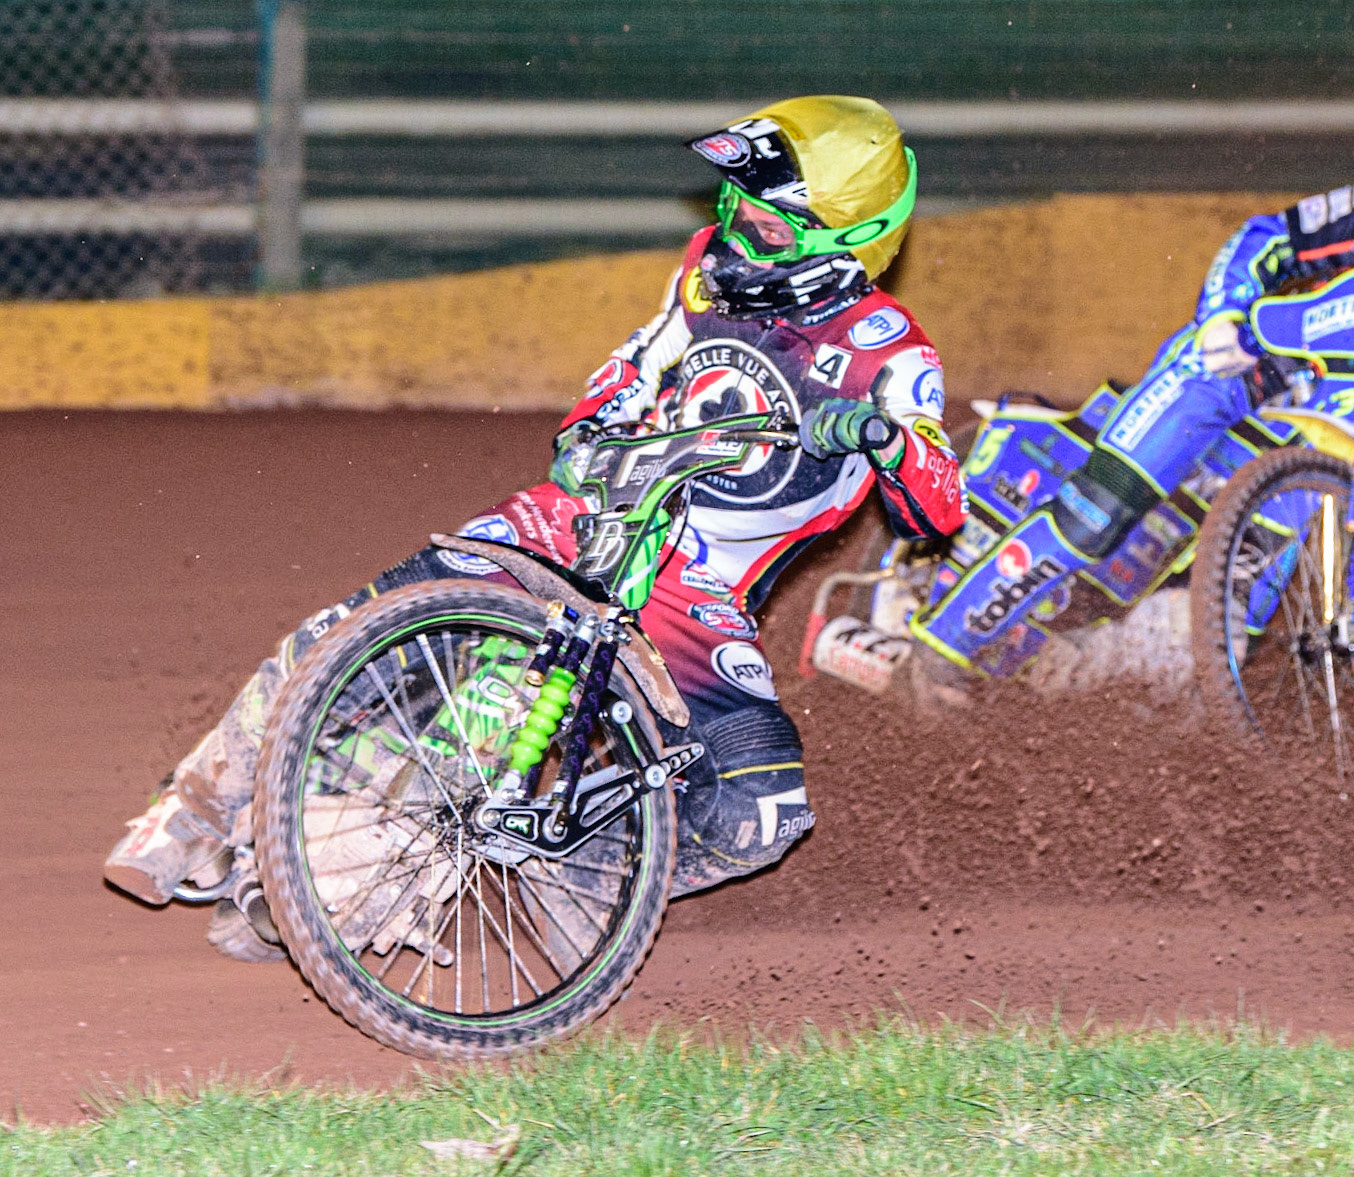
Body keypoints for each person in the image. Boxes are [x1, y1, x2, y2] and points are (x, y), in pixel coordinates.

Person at [103, 95, 967, 960]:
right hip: (595, 513)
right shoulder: (706, 268)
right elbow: (638, 362)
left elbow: (938, 508)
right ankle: (200, 808)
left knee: (762, 811)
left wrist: (886, 433)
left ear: (842, 240)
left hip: (697, 589)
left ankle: (583, 875)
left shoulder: (890, 357)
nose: (737, 228)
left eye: (767, 224)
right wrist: (593, 429)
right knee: (381, 623)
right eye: (731, 204)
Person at [920, 133, 1354, 663]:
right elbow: (1270, 237)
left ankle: (1082, 705)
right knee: (1094, 517)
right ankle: (936, 655)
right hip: (1241, 380)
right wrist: (1228, 312)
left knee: (1209, 636)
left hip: (1323, 472)